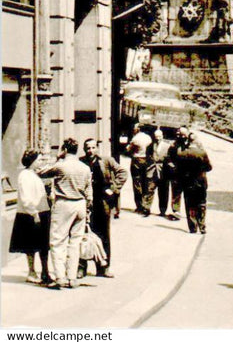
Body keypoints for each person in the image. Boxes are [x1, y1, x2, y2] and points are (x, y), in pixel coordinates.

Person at [38, 138, 92, 289]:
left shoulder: (61, 166)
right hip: (80, 204)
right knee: (75, 242)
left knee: (57, 241)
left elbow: (41, 172)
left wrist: (57, 158)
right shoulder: (85, 168)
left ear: (65, 150)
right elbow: (89, 191)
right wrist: (87, 208)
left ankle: (60, 277)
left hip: (64, 204)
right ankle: (72, 277)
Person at [78, 138, 127, 279]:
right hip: (86, 202)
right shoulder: (81, 162)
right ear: (84, 149)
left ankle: (104, 267)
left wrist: (113, 188)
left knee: (103, 234)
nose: (90, 151)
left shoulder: (106, 161)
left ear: (97, 148)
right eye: (88, 148)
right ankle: (81, 267)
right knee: (83, 234)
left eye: (93, 147)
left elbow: (123, 172)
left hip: (102, 201)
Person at [9, 148, 51, 284]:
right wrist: (34, 213)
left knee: (44, 245)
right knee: (31, 246)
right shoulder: (25, 175)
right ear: (32, 161)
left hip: (42, 211)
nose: (40, 162)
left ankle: (45, 271)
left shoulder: (34, 174)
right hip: (31, 214)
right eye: (39, 160)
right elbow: (26, 198)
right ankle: (31, 272)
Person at [169, 126, 212, 233]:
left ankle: (192, 226)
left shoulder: (181, 153)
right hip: (200, 181)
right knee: (201, 203)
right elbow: (209, 167)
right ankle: (202, 226)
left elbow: (178, 167)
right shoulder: (201, 153)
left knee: (190, 204)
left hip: (187, 181)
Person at [126, 123, 152, 214]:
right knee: (145, 182)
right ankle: (146, 204)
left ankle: (139, 205)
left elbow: (128, 149)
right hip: (146, 160)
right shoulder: (148, 138)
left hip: (136, 160)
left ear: (138, 129)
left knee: (136, 183)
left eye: (135, 128)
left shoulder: (135, 139)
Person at [144, 129, 170, 216]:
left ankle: (162, 210)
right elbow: (147, 156)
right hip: (152, 170)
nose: (157, 138)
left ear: (162, 136)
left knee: (163, 191)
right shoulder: (150, 146)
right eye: (156, 137)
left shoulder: (167, 146)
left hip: (163, 171)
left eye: (159, 137)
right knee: (149, 189)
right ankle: (147, 209)